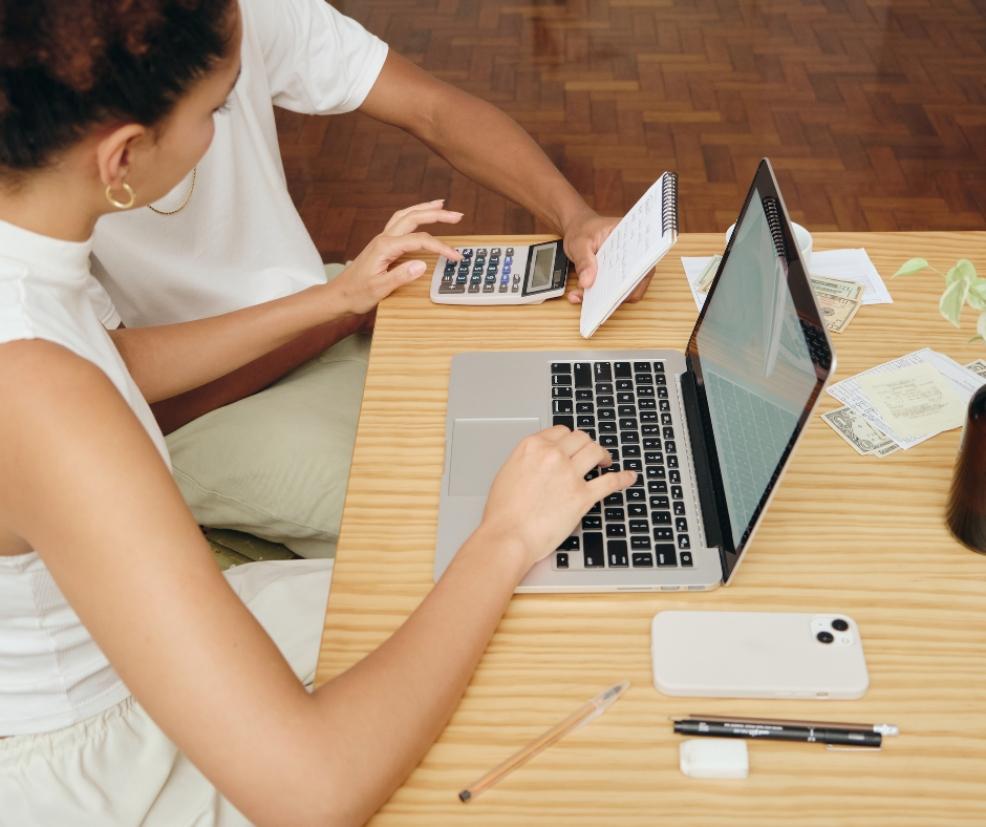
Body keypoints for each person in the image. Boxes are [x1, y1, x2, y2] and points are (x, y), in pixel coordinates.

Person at [0, 2, 636, 823]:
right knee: (513, 648)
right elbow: (313, 791)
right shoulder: (42, 399)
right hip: (97, 758)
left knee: (485, 602)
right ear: (122, 155)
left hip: (131, 655)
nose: (223, 133)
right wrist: (507, 533)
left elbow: (108, 359)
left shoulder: (33, 277)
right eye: (214, 112)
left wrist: (334, 296)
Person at [86, 0, 643, 560]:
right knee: (477, 524)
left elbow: (432, 108)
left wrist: (574, 217)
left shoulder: (230, 14)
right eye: (217, 108)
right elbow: (127, 397)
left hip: (321, 310)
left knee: (539, 397)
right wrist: (335, 310)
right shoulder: (47, 207)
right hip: (200, 402)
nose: (223, 127)